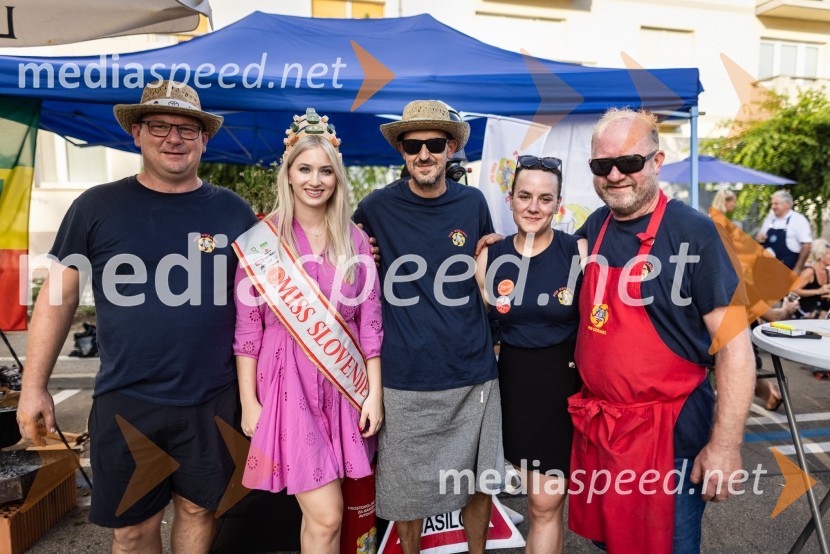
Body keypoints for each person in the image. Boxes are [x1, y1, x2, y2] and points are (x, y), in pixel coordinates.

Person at [17, 80, 258, 553]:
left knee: (198, 511)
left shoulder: (234, 212)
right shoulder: (96, 206)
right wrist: (32, 385)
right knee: (131, 532)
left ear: (204, 140)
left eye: (188, 130)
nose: (174, 138)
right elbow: (59, 297)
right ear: (137, 133)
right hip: (128, 402)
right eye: (160, 126)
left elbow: (274, 290)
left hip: (213, 400)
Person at [569, 108, 755, 553]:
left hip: (668, 440)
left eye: (629, 163)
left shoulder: (696, 233)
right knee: (611, 545)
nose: (615, 175)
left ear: (656, 161)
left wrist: (725, 445)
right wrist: (498, 246)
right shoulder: (595, 227)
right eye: (601, 166)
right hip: (605, 435)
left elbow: (735, 348)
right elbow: (543, 265)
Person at [352, 100, 504, 554]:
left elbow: (484, 268)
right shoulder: (374, 208)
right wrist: (365, 259)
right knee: (405, 494)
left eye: (434, 144)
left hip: (473, 372)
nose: (423, 154)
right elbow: (348, 268)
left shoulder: (474, 202)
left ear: (451, 148)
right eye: (412, 144)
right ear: (401, 149)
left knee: (479, 483)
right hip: (405, 377)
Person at [232, 109, 383, 552]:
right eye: (305, 169)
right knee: (326, 513)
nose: (315, 180)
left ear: (336, 177)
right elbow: (248, 330)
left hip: (342, 390)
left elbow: (370, 323)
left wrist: (373, 392)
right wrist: (248, 402)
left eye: (325, 171)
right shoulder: (264, 240)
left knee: (323, 524)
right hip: (285, 387)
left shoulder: (354, 240)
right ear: (289, 174)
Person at [474, 155, 584, 554]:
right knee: (497, 495)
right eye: (525, 196)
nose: (534, 207)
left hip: (562, 388)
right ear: (510, 199)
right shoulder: (489, 256)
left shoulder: (579, 252)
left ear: (558, 203)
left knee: (544, 503)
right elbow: (477, 326)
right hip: (509, 389)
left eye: (544, 198)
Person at [756, 190, 812, 273]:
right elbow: (760, 239)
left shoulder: (799, 220)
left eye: (776, 204)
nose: (773, 207)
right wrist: (759, 239)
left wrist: (798, 268)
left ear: (787, 204)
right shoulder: (769, 219)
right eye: (772, 204)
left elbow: (807, 245)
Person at [791, 239, 830, 319]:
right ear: (821, 255)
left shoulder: (827, 272)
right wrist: (818, 291)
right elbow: (793, 290)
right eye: (829, 254)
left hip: (821, 308)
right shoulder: (809, 272)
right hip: (807, 311)